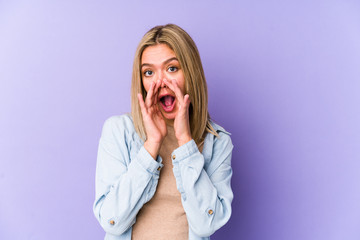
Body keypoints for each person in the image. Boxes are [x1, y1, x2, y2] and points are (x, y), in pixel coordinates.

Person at [93, 24, 234, 240]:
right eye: (149, 72)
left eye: (172, 68)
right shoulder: (118, 131)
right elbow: (111, 220)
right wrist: (152, 145)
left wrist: (185, 142)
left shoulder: (218, 141)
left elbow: (207, 225)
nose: (160, 83)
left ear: (191, 73)